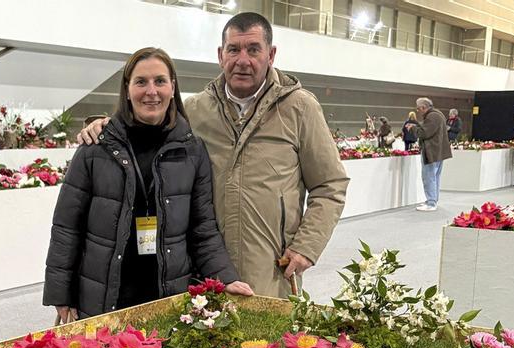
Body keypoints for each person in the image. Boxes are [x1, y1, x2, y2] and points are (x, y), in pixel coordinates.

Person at [79, 12, 349, 298]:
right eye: (234, 49)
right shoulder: (196, 109)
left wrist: (306, 246)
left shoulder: (299, 108)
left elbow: (330, 185)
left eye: (253, 49)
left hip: (270, 271)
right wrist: (105, 126)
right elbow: (147, 122)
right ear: (221, 55)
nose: (242, 60)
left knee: (268, 341)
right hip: (201, 271)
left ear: (271, 55)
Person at [44, 47, 253, 323]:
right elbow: (67, 227)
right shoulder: (96, 148)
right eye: (141, 81)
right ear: (127, 89)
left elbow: (203, 228)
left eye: (160, 81)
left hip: (167, 297)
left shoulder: (192, 150)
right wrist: (61, 293)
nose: (151, 91)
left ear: (172, 87)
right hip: (105, 297)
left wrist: (225, 277)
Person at [406, 98, 452, 212]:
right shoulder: (438, 114)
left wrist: (413, 128)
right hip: (438, 151)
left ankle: (431, 203)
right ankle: (433, 200)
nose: (418, 111)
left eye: (418, 108)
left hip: (432, 151)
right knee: (435, 177)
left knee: (429, 177)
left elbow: (424, 133)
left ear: (423, 107)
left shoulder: (432, 116)